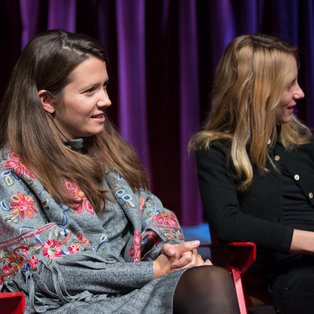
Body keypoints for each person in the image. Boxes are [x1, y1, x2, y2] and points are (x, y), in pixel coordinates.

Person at [0, 29, 239, 314]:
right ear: (47, 101)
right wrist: (150, 271)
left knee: (208, 278)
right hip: (69, 305)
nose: (106, 100)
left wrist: (174, 255)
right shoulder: (11, 172)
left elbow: (155, 215)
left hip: (136, 290)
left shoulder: (107, 152)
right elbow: (47, 274)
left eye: (105, 86)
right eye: (90, 91)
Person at [190, 33, 314, 314]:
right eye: (288, 85)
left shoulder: (303, 142)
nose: (300, 93)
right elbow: (228, 223)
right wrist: (310, 241)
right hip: (293, 272)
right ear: (257, 91)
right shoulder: (215, 149)